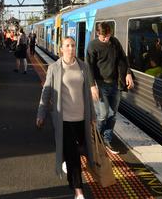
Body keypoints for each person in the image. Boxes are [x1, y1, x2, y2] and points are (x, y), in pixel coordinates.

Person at [36, 36, 97, 199]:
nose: (71, 48)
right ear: (61, 49)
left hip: (81, 119)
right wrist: (41, 113)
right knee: (74, 155)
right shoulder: (54, 68)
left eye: (73, 45)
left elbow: (88, 95)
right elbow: (46, 92)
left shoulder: (83, 67)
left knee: (82, 149)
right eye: (67, 45)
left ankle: (67, 161)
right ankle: (78, 191)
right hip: (64, 119)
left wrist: (93, 115)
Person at [86, 22, 134, 154]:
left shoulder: (114, 42)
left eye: (108, 36)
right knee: (103, 114)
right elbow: (88, 66)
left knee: (112, 115)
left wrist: (128, 73)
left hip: (115, 84)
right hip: (100, 84)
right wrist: (92, 86)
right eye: (103, 37)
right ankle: (95, 137)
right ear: (97, 34)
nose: (106, 39)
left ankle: (107, 139)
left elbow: (123, 58)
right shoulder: (93, 46)